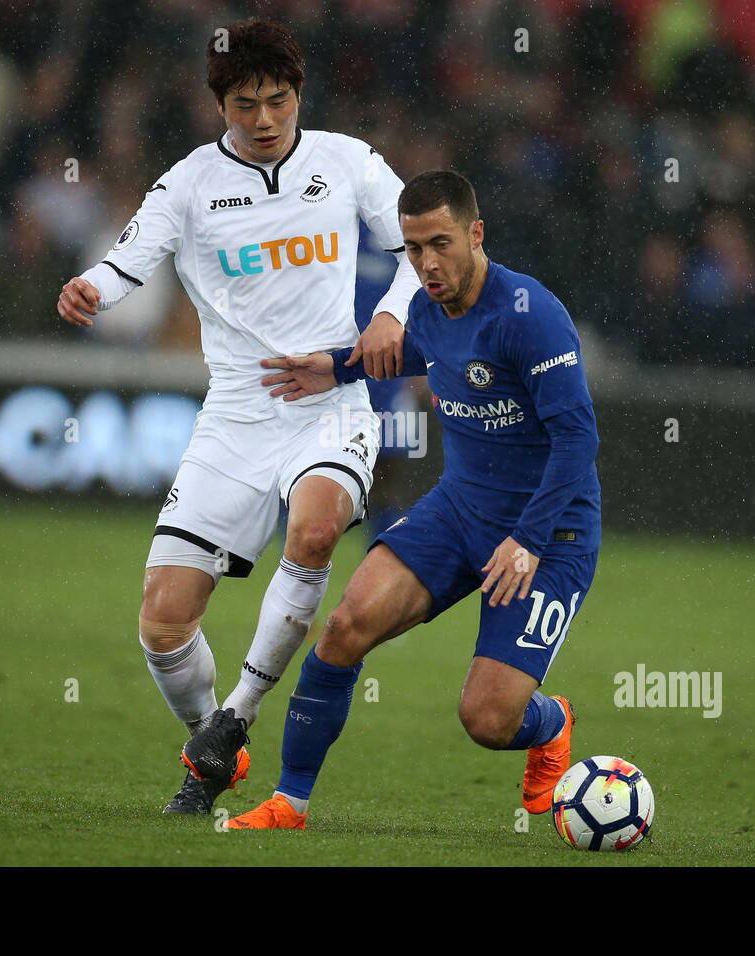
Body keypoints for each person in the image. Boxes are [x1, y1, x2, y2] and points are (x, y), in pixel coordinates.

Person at [55, 19, 421, 814]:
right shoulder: (187, 184)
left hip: (331, 405)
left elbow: (420, 247)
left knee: (317, 529)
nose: (264, 119)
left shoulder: (347, 161)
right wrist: (92, 287)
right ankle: (211, 747)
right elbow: (128, 261)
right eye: (245, 103)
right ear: (219, 102)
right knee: (162, 622)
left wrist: (391, 316)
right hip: (235, 417)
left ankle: (239, 712)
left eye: (279, 100)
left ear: (300, 94)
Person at [222, 170, 601, 829]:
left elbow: (578, 439)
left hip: (550, 535)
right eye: (415, 247)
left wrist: (530, 540)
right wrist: (333, 368)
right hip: (458, 513)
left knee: (486, 719)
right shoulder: (424, 306)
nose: (427, 262)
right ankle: (290, 802)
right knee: (343, 628)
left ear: (477, 235)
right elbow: (415, 352)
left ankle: (552, 722)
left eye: (442, 243)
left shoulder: (530, 315)